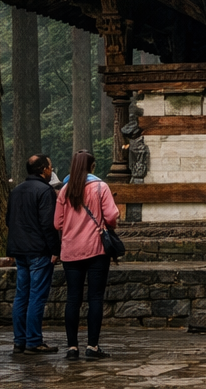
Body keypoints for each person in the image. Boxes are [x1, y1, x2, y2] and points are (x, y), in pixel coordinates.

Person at [54, 150, 118, 361]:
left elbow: (57, 223)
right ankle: (93, 346)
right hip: (96, 249)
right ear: (92, 167)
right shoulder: (101, 187)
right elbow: (111, 215)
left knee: (73, 299)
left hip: (71, 251)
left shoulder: (64, 190)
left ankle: (72, 347)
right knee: (95, 298)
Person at [7, 154, 60, 355]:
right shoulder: (45, 191)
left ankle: (19, 340)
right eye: (50, 167)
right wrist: (55, 249)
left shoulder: (17, 191)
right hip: (38, 250)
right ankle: (34, 340)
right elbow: (49, 224)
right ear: (43, 170)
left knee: (21, 295)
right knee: (37, 295)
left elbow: (8, 220)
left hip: (19, 249)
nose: (51, 170)